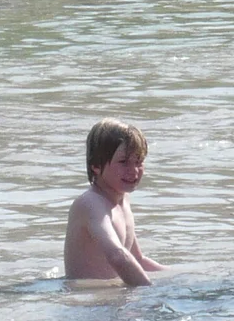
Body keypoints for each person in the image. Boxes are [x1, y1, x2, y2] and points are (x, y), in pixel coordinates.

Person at [64, 119, 166, 286]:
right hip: (88, 302)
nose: (133, 171)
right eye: (123, 162)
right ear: (96, 165)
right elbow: (117, 256)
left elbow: (138, 260)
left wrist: (186, 278)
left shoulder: (122, 199)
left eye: (139, 162)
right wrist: (151, 292)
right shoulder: (90, 203)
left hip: (112, 296)